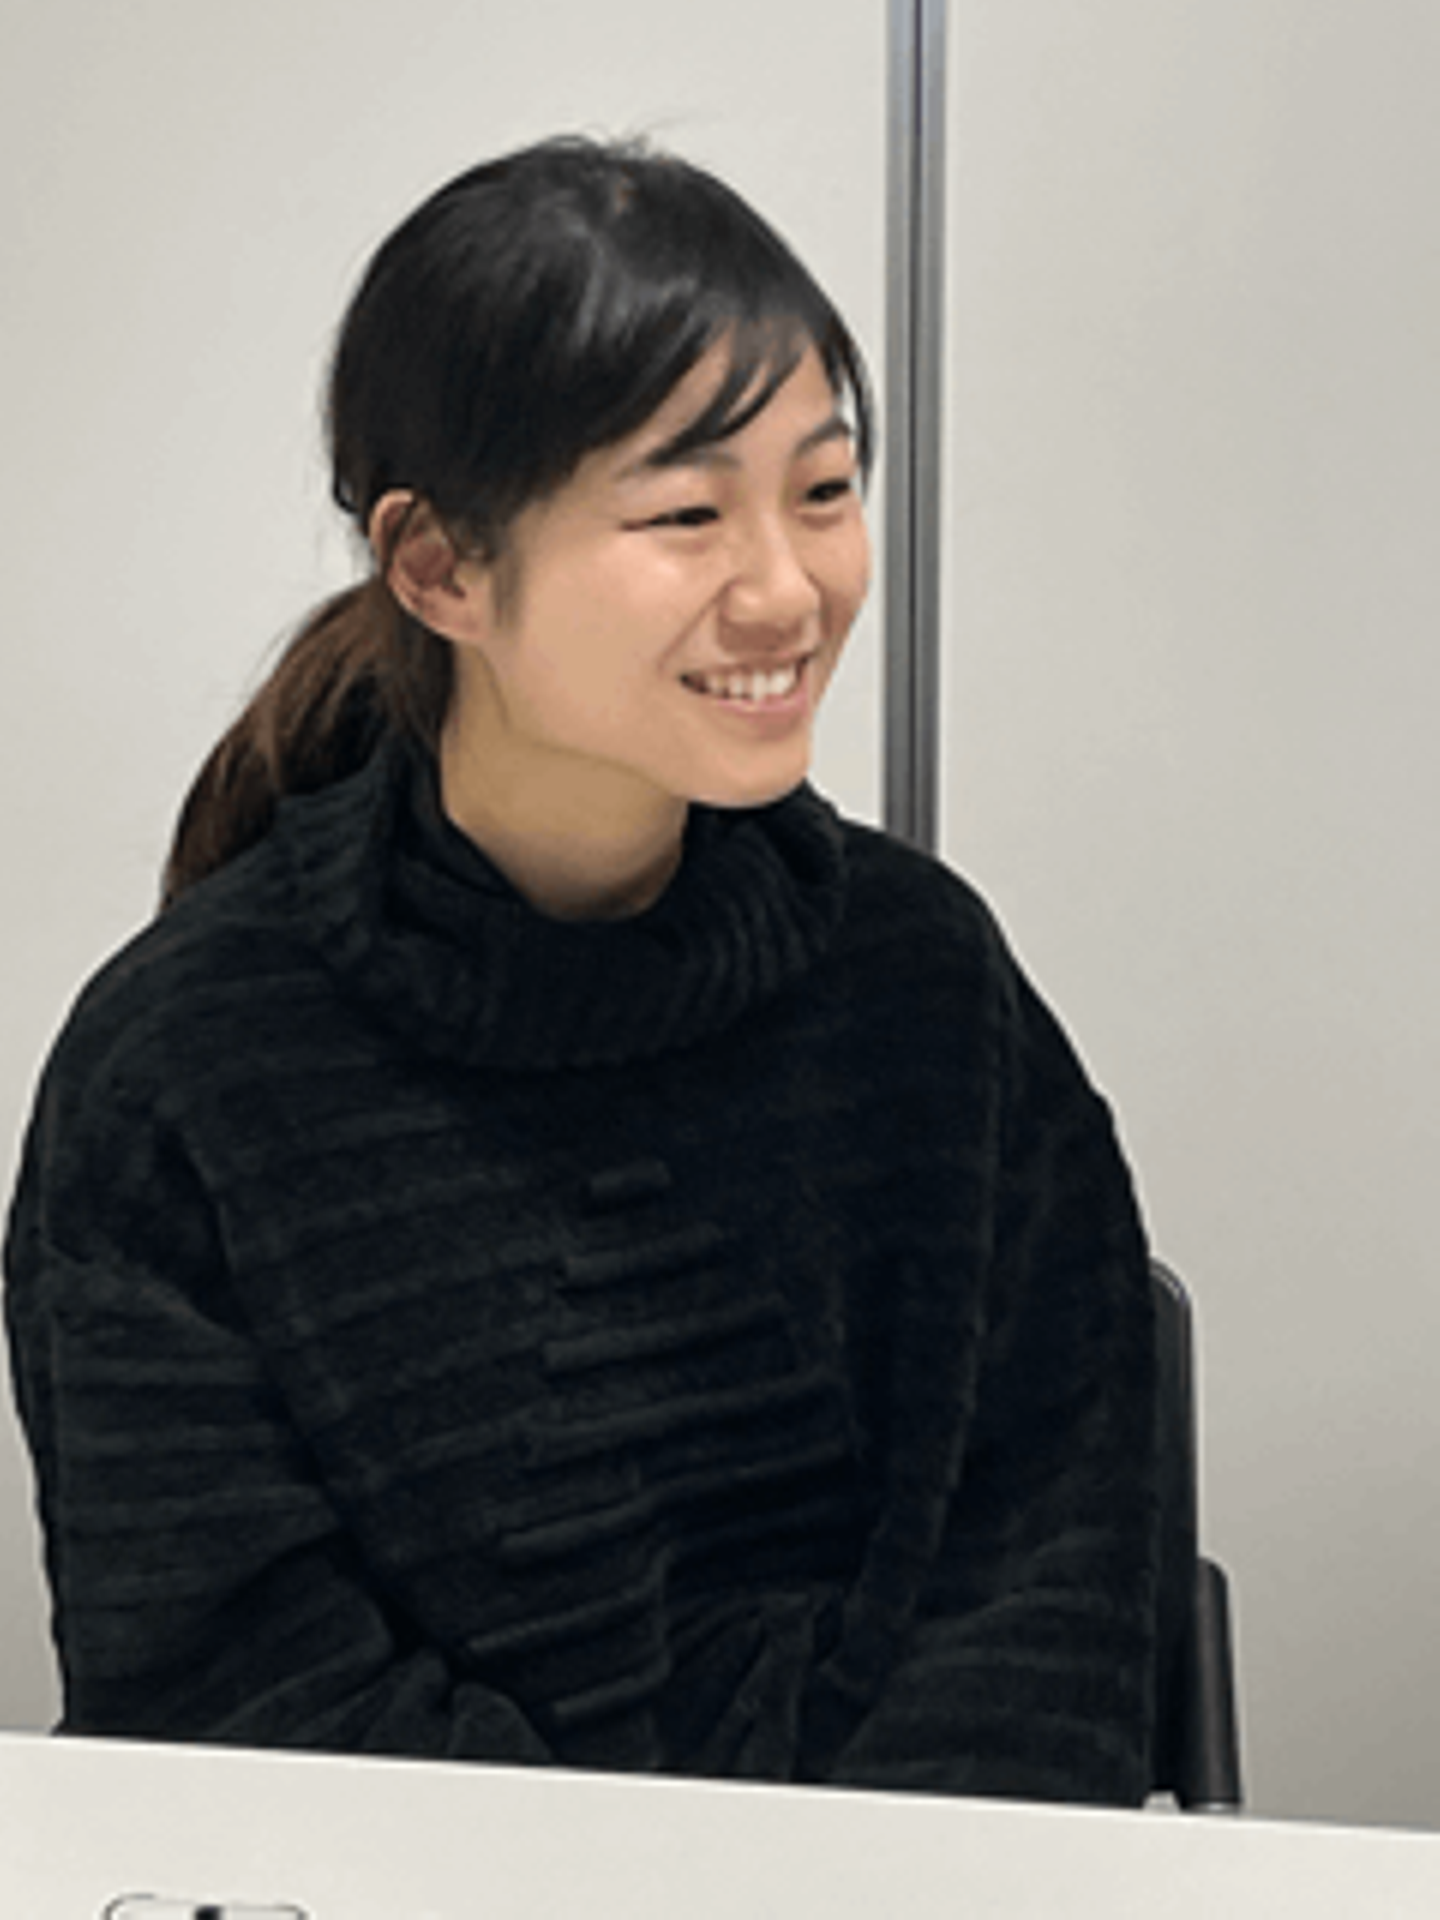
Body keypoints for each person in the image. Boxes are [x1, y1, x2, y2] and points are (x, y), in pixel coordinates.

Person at [4, 135, 1164, 1804]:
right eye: (687, 513)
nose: (789, 589)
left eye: (823, 490)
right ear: (439, 568)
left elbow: (1055, 1563)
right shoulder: (182, 1071)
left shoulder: (927, 984)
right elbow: (231, 1687)